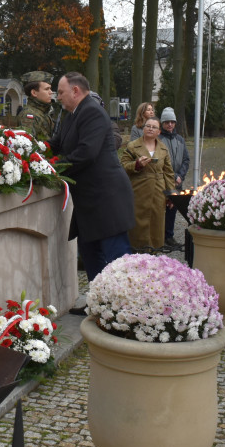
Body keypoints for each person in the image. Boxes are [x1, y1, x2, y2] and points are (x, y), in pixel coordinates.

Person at [50, 73, 134, 290]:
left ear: (75, 91)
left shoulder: (92, 112)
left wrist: (52, 169)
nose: (57, 97)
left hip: (107, 200)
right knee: (90, 255)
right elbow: (56, 144)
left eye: (61, 92)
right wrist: (29, 149)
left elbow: (86, 152)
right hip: (89, 202)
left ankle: (124, 309)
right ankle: (98, 304)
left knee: (117, 261)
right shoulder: (71, 115)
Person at [121, 118, 175, 252]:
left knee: (157, 223)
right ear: (143, 129)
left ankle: (154, 253)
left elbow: (168, 172)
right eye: (148, 126)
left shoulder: (163, 148)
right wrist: (137, 164)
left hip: (158, 192)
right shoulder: (133, 146)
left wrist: (171, 194)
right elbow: (122, 166)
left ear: (159, 132)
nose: (150, 128)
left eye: (154, 127)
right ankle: (136, 253)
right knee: (138, 225)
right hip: (139, 191)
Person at [158, 107, 189, 246]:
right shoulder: (158, 139)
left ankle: (169, 236)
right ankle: (158, 236)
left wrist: (181, 176)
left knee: (172, 209)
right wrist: (174, 175)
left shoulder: (180, 139)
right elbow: (161, 161)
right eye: (166, 122)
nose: (169, 124)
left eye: (172, 122)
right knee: (160, 208)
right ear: (162, 123)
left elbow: (186, 160)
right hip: (163, 180)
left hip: (178, 182)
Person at [16, 71, 54, 140]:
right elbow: (28, 144)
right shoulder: (29, 115)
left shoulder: (42, 112)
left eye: (50, 88)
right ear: (34, 93)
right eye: (47, 89)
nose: (51, 92)